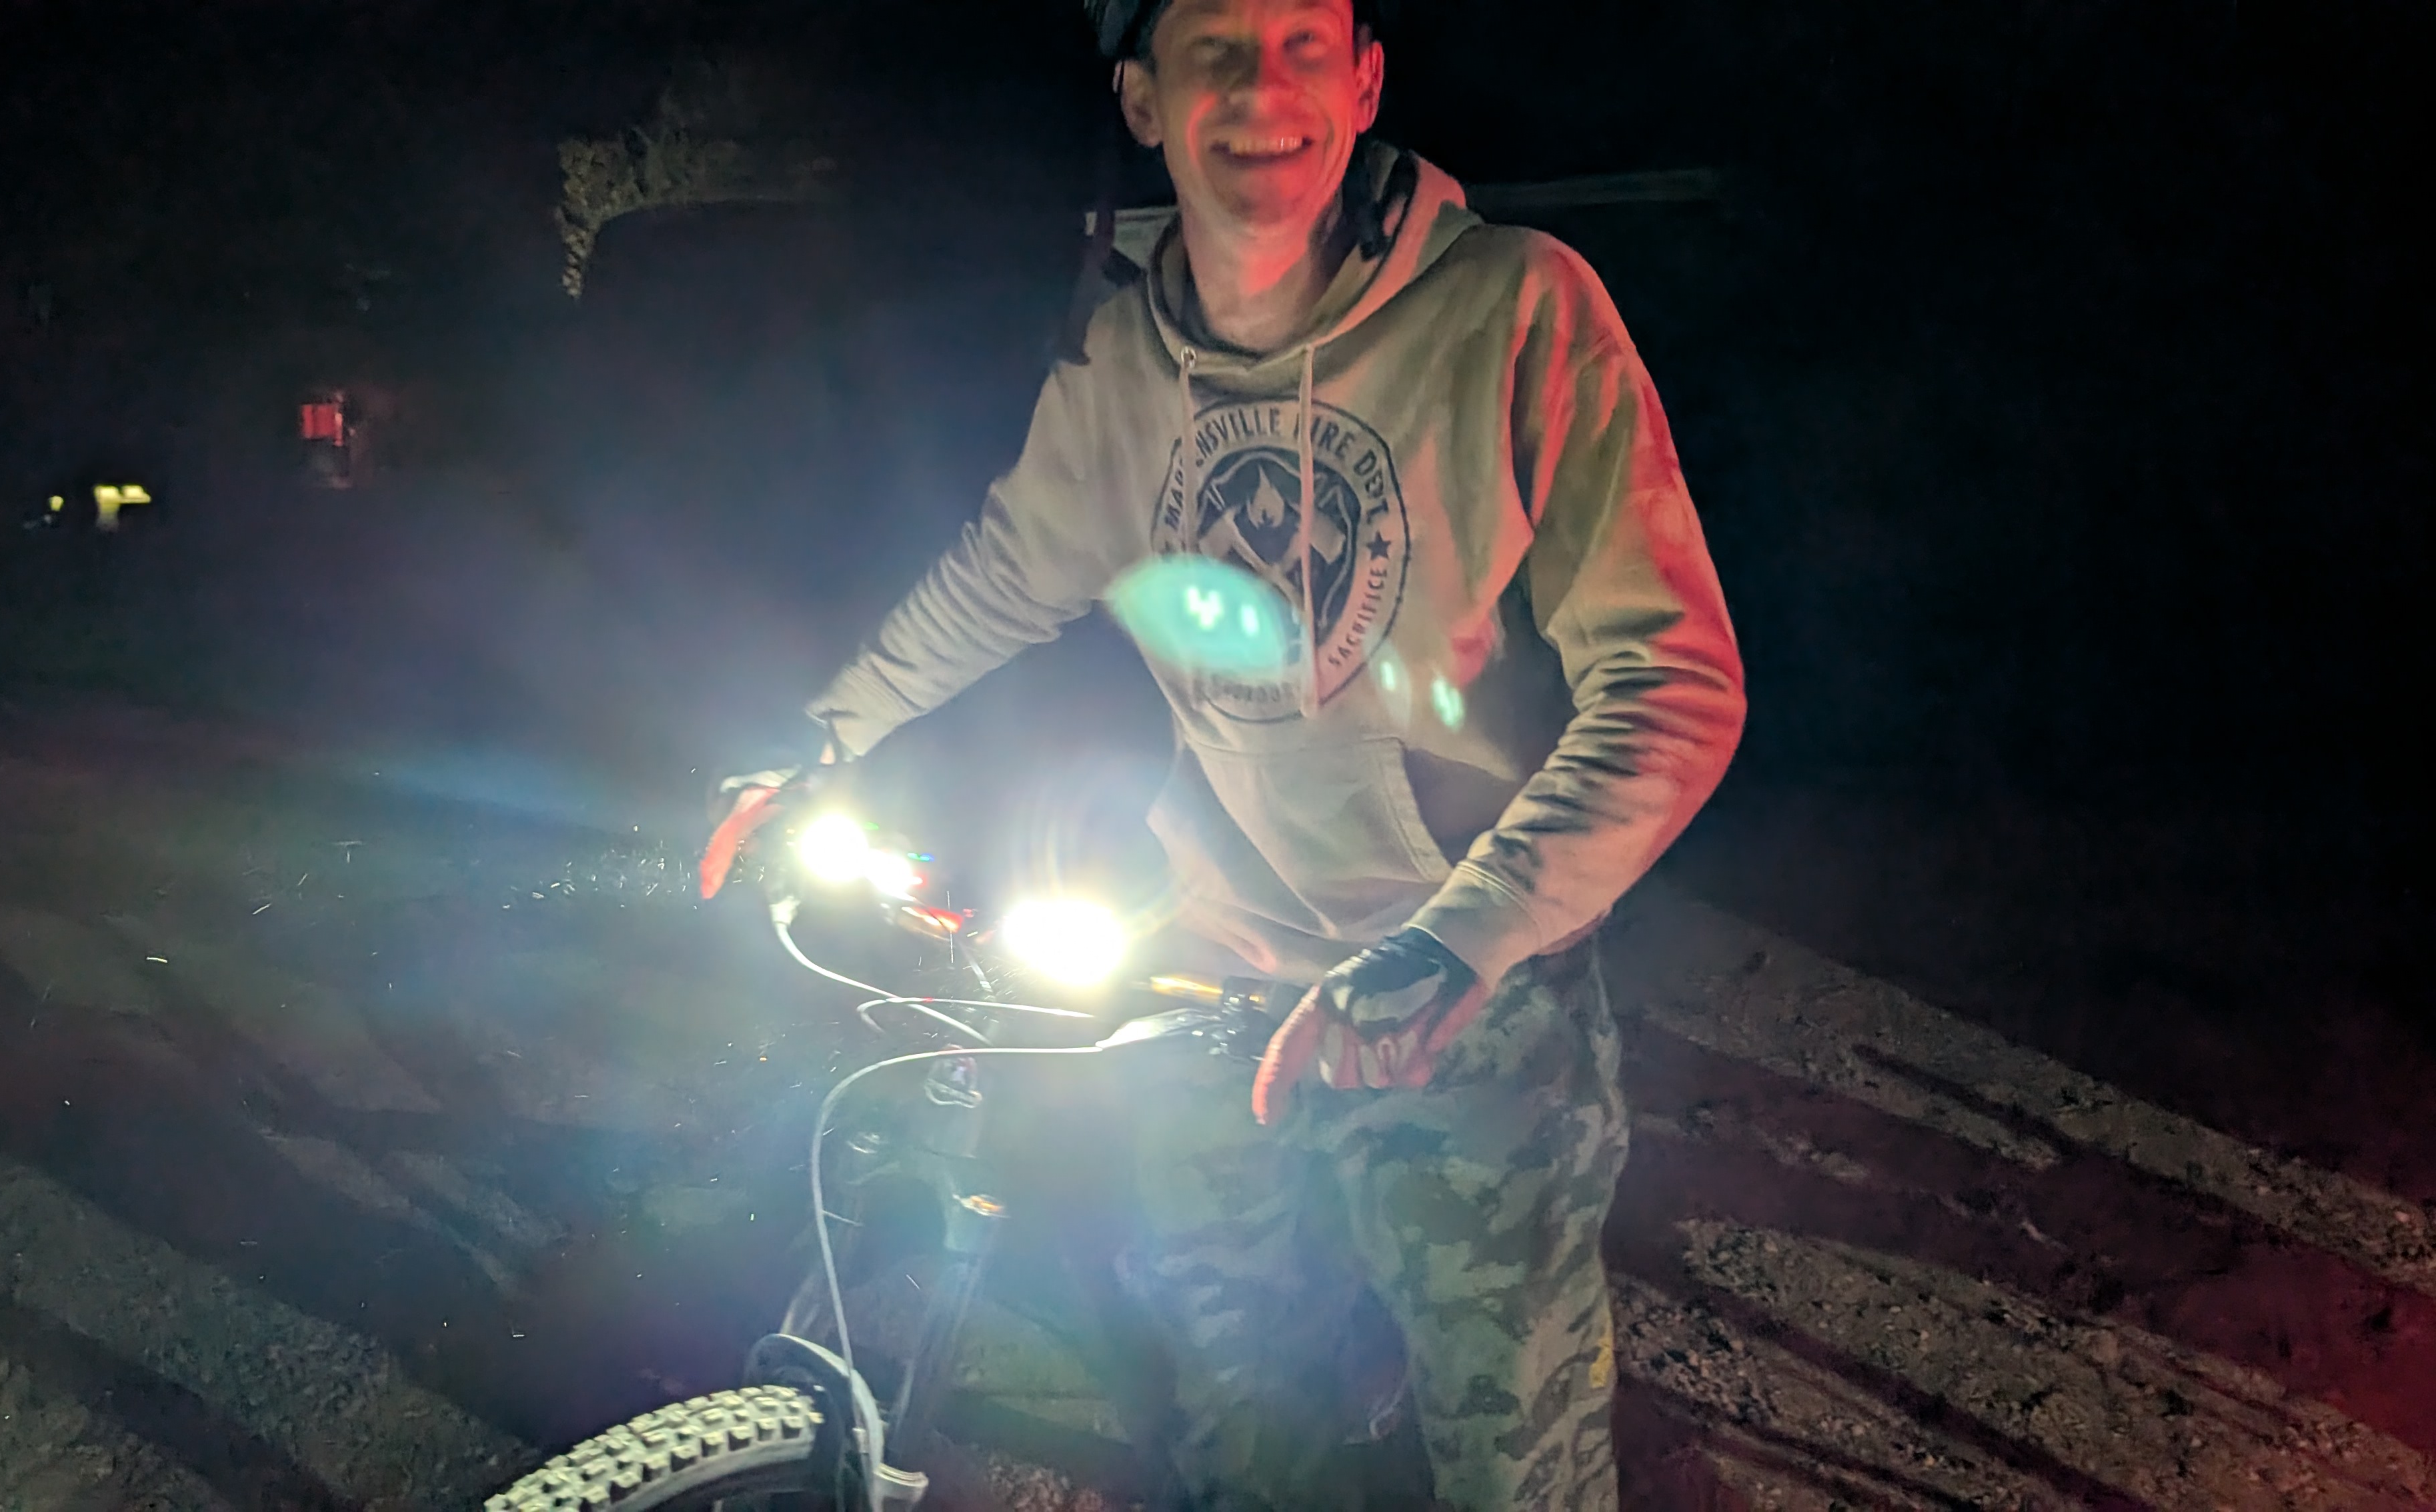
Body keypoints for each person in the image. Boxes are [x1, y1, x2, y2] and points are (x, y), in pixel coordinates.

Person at [730, 1, 1745, 1503]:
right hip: (1211, 990)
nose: (1262, 91)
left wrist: (1463, 938)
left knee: (1509, 1455)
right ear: (1143, 99)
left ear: (1365, 79)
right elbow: (1009, 574)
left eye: (1301, 45)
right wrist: (817, 740)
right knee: (1240, 1429)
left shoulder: (1516, 309)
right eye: (1214, 49)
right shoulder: (1122, 359)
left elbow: (1673, 679)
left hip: (1459, 1006)